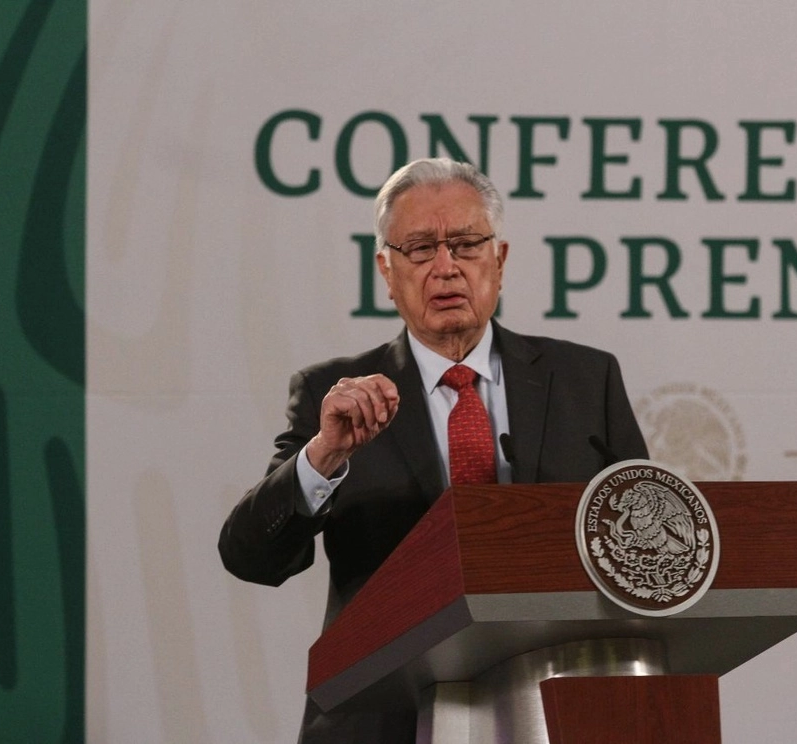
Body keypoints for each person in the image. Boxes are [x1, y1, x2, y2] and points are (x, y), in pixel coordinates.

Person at [218, 158, 648, 743]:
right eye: (420, 249)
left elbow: (643, 554)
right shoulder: (334, 398)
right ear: (386, 270)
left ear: (499, 259)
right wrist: (323, 457)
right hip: (383, 718)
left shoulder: (585, 381)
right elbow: (251, 558)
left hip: (560, 709)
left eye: (466, 244)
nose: (446, 267)